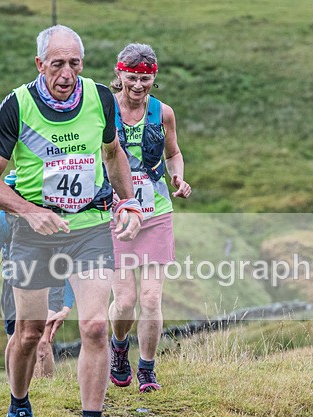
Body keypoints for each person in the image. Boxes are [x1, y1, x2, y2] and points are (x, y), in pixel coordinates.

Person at [0, 25, 142, 417]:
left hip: (89, 226)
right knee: (29, 333)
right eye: (57, 64)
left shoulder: (101, 98)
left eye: (74, 64)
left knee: (94, 327)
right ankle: (19, 408)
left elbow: (112, 154)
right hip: (34, 232)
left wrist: (129, 203)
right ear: (39, 65)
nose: (66, 74)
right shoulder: (17, 106)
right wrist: (28, 212)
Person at [107, 43, 191, 392]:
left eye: (145, 79)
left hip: (156, 214)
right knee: (125, 300)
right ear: (120, 74)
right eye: (132, 77)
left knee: (152, 299)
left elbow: (174, 152)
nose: (138, 86)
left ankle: (147, 368)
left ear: (153, 77)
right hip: (117, 215)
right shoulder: (105, 110)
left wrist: (178, 176)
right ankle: (119, 347)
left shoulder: (163, 113)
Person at [0, 201, 75, 378]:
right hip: (14, 286)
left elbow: (68, 261)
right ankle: (18, 396)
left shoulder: (54, 216)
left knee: (42, 341)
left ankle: (44, 392)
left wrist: (67, 303)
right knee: (18, 341)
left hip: (51, 283)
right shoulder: (4, 219)